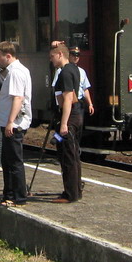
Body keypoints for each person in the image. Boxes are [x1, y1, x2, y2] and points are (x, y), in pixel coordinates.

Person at [0, 41, 32, 207]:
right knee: (7, 160)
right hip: (11, 122)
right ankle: (9, 193)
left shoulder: (15, 72)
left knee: (13, 161)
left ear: (8, 56)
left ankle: (18, 196)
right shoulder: (15, 71)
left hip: (14, 124)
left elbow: (18, 98)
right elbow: (13, 94)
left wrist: (10, 122)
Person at [49, 43, 83, 203]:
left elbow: (69, 98)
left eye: (52, 56)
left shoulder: (65, 73)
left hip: (68, 119)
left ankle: (70, 194)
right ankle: (75, 190)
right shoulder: (74, 69)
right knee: (72, 154)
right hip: (73, 117)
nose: (51, 60)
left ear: (60, 55)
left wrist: (63, 124)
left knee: (68, 156)